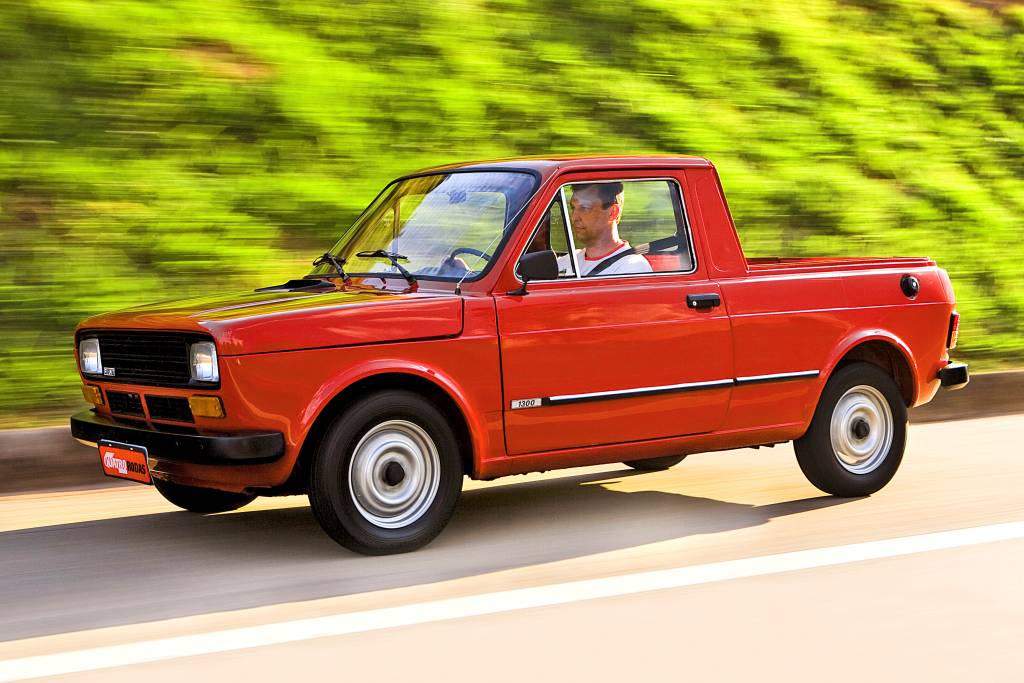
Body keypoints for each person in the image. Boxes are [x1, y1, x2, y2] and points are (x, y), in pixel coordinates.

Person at [556, 182, 652, 277]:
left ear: (613, 212)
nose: (574, 217)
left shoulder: (633, 268)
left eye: (584, 208)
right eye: (573, 208)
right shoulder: (567, 262)